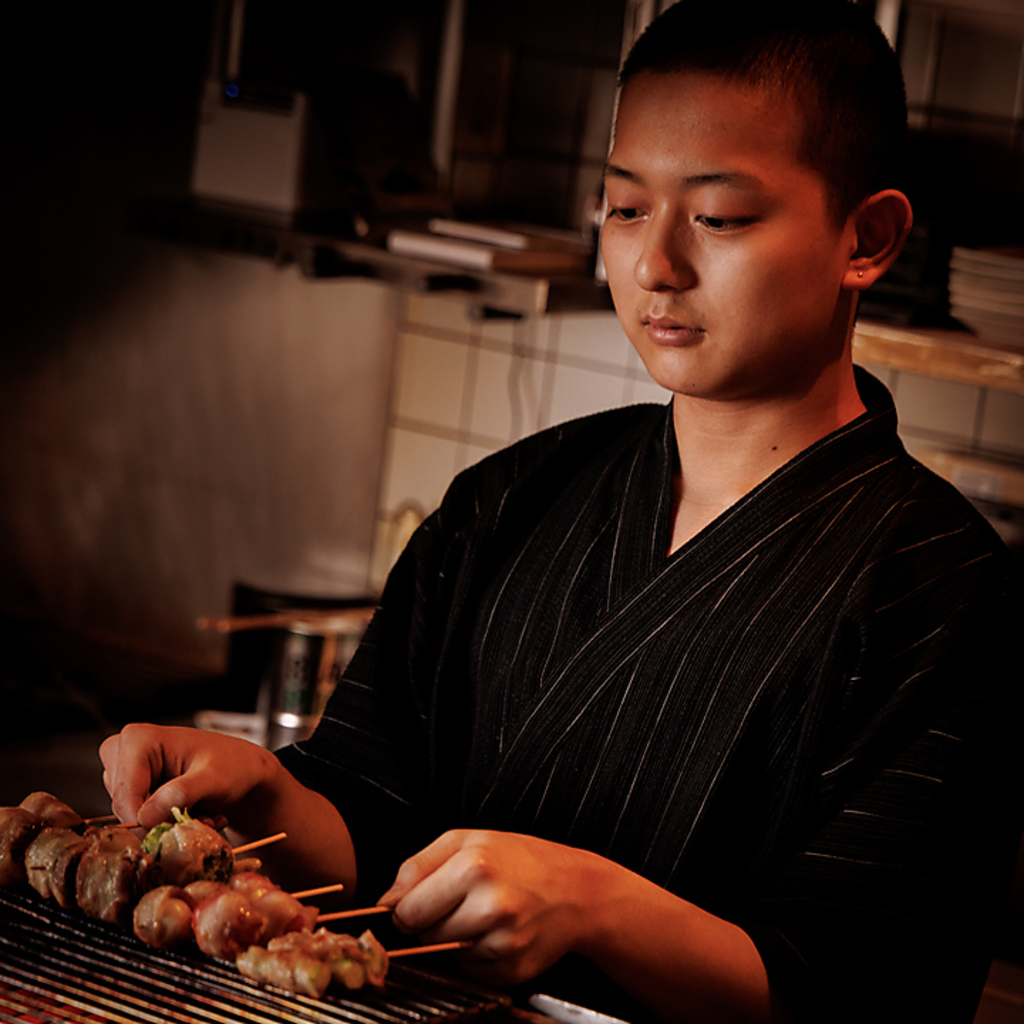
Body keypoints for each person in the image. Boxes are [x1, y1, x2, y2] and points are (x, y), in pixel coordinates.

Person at [100, 2, 1022, 1022]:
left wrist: (600, 906)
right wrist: (269, 794)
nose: (655, 264)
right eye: (625, 208)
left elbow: (870, 989)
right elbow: (368, 831)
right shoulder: (511, 498)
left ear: (869, 236)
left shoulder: (945, 591)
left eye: (717, 217)